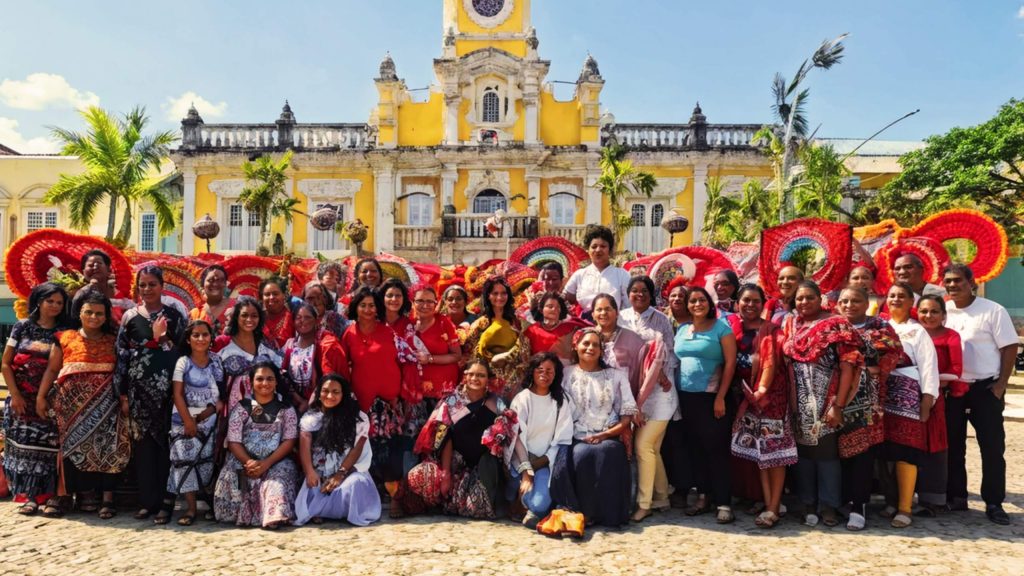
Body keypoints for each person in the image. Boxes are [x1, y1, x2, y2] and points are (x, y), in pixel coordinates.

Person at [36, 289, 131, 520]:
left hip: (107, 406)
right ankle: (70, 495)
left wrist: (124, 398)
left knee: (108, 448)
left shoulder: (114, 340)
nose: (94, 317)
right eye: (89, 312)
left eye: (99, 313)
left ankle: (103, 499)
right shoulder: (64, 337)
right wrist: (41, 396)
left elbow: (123, 372)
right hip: (70, 407)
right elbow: (52, 369)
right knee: (70, 450)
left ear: (106, 316)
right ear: (79, 313)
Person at [781, 281, 863, 528]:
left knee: (827, 455)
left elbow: (848, 366)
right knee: (804, 453)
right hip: (798, 401)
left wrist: (837, 405)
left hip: (827, 399)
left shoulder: (836, 324)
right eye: (799, 299)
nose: (804, 302)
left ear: (820, 299)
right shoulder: (791, 324)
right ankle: (807, 504)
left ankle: (829, 505)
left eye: (809, 298)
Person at [942, 263, 1017, 525]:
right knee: (953, 446)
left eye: (958, 281)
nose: (953, 286)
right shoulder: (944, 311)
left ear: (971, 282)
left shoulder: (992, 310)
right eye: (948, 281)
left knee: (992, 448)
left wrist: (1000, 385)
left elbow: (1009, 347)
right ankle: (957, 497)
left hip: (985, 388)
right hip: (953, 389)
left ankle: (994, 502)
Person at [115, 265, 187, 524]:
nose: (147, 289)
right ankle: (147, 502)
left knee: (167, 447)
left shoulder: (174, 315)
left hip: (169, 392)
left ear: (162, 286)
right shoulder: (129, 317)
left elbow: (182, 351)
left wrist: (162, 339)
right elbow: (122, 355)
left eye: (152, 284)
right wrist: (123, 394)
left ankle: (167, 503)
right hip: (138, 393)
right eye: (142, 285)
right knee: (143, 448)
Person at [403, 360, 517, 519]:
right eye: (471, 374)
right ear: (464, 376)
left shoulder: (496, 404)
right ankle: (435, 503)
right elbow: (444, 439)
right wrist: (446, 473)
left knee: (476, 509)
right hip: (455, 463)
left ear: (488, 379)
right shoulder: (451, 402)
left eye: (481, 375)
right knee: (420, 474)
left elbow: (508, 432)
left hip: (482, 467)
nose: (475, 378)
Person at [550, 328, 637, 528]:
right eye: (586, 343)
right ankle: (583, 514)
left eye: (595, 345)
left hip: (608, 436)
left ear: (601, 350)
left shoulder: (616, 376)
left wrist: (604, 434)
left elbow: (626, 416)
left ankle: (609, 515)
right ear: (576, 346)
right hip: (575, 436)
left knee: (609, 452)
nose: (590, 348)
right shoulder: (565, 373)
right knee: (581, 455)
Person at [727, 284, 797, 529]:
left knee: (775, 456)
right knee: (760, 455)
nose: (750, 305)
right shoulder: (732, 331)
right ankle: (768, 504)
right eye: (745, 300)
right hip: (745, 401)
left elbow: (775, 362)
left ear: (763, 304)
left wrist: (762, 391)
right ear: (737, 303)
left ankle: (773, 507)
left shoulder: (773, 332)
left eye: (756, 301)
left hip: (771, 401)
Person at [341, 287, 415, 513]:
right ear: (356, 308)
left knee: (392, 450)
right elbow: (345, 368)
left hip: (389, 404)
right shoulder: (348, 334)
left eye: (372, 305)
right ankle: (369, 497)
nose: (367, 309)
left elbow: (406, 361)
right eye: (362, 305)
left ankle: (396, 498)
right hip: (362, 404)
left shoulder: (389, 332)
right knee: (366, 451)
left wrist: (402, 395)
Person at [835, 285, 902, 530]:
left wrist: (867, 364)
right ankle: (839, 501)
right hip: (833, 399)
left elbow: (894, 351)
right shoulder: (832, 326)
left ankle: (859, 506)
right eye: (844, 301)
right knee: (837, 455)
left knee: (863, 454)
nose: (849, 306)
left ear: (866, 304)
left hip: (867, 402)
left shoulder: (880, 327)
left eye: (855, 301)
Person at [2, 283, 68, 516]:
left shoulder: (64, 331)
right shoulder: (21, 327)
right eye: (50, 301)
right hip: (21, 400)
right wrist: (16, 395)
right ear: (38, 301)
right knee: (23, 449)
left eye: (59, 302)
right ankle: (30, 497)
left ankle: (51, 497)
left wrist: (44, 397)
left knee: (49, 449)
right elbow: (6, 364)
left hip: (49, 400)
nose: (55, 306)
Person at [617, 276, 680, 523]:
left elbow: (670, 353)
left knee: (643, 446)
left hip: (661, 392)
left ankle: (644, 503)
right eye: (634, 291)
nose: (639, 295)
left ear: (651, 294)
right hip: (635, 389)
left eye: (644, 291)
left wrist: (662, 374)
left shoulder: (661, 319)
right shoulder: (621, 316)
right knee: (653, 448)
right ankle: (662, 496)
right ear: (628, 293)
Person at [674, 286, 737, 524]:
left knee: (716, 450)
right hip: (686, 398)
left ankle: (724, 502)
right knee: (696, 449)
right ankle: (703, 496)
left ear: (709, 303)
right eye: (692, 301)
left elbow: (730, 364)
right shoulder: (682, 329)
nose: (697, 304)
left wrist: (721, 396)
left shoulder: (722, 329)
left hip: (713, 398)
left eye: (701, 300)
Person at [881, 282, 940, 529]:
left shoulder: (917, 332)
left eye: (901, 296)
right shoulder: (881, 326)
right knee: (883, 452)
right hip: (881, 393)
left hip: (906, 393)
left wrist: (927, 401)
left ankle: (905, 507)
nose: (895, 299)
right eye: (892, 295)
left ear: (910, 301)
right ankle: (891, 500)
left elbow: (929, 367)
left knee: (906, 451)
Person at [213, 360, 299, 529]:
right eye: (259, 379)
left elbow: (289, 441)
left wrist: (266, 463)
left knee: (277, 483)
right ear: (251, 382)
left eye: (269, 379)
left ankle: (273, 516)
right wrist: (249, 462)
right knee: (235, 478)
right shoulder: (241, 407)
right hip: (243, 460)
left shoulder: (286, 409)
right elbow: (233, 440)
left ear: (276, 382)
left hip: (276, 461)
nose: (265, 383)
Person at [295, 373, 381, 526]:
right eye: (325, 391)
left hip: (347, 471)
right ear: (319, 393)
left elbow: (357, 448)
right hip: (319, 471)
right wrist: (310, 472)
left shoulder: (358, 418)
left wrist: (340, 474)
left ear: (344, 394)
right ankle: (322, 510)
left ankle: (325, 510)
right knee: (314, 487)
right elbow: (305, 446)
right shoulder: (310, 419)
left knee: (355, 484)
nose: (329, 396)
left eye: (336, 392)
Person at [167, 319, 225, 526]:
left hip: (209, 419)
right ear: (189, 339)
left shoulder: (217, 361)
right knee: (184, 462)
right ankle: (190, 508)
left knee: (206, 461)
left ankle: (210, 504)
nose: (201, 339)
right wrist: (188, 421)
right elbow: (178, 394)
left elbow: (219, 396)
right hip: (182, 418)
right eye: (196, 335)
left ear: (211, 338)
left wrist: (203, 417)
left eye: (205, 335)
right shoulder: (183, 362)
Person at [507, 353, 574, 528]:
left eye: (550, 371)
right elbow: (516, 437)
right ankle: (516, 499)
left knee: (540, 504)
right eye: (540, 370)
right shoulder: (522, 399)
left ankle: (526, 505)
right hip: (520, 462)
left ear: (556, 374)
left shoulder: (561, 401)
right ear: (533, 373)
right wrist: (527, 470)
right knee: (509, 492)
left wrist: (541, 462)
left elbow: (563, 439)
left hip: (544, 462)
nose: (544, 375)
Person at [915, 294, 961, 517]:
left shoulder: (951, 336)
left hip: (935, 397)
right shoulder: (912, 332)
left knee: (935, 446)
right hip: (908, 396)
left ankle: (933, 499)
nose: (928, 316)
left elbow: (956, 371)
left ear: (944, 315)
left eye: (934, 311)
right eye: (924, 311)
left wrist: (929, 379)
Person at [463, 276, 532, 401]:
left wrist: (507, 359)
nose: (499, 297)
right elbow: (470, 353)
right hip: (487, 381)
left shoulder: (517, 322)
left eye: (503, 293)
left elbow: (525, 349)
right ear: (488, 296)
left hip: (513, 380)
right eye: (495, 293)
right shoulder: (481, 324)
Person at [215, 296, 283, 414]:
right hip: (235, 412)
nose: (249, 319)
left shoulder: (266, 343)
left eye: (254, 316)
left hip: (268, 411)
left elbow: (280, 372)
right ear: (236, 317)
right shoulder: (222, 343)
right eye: (244, 315)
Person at [563, 225, 631, 316]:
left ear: (610, 250)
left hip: (614, 326)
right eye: (594, 246)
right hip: (584, 326)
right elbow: (564, 299)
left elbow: (629, 307)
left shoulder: (622, 275)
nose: (598, 250)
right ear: (588, 250)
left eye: (603, 246)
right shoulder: (579, 275)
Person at [412, 286, 463, 401]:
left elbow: (456, 355)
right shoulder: (408, 325)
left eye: (430, 301)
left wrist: (429, 359)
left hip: (442, 393)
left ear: (436, 303)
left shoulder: (443, 323)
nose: (425, 305)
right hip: (416, 391)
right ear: (413, 302)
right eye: (420, 301)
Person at [281, 303, 322, 413]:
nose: (302, 321)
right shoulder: (290, 345)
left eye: (307, 317)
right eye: (298, 318)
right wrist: (299, 400)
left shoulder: (323, 345)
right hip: (293, 403)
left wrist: (309, 403)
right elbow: (282, 373)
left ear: (316, 321)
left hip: (319, 403)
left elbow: (326, 377)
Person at [522, 292, 581, 361]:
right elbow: (526, 357)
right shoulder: (532, 331)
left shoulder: (571, 327)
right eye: (550, 306)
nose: (554, 309)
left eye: (558, 307)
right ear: (541, 310)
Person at [189, 264, 234, 335]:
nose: (215, 284)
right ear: (202, 284)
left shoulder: (237, 307)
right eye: (211, 280)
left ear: (225, 284)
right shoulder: (195, 314)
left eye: (220, 280)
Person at [261, 276, 294, 349]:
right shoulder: (256, 318)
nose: (271, 297)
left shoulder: (294, 317)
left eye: (275, 294)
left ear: (284, 295)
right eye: (267, 294)